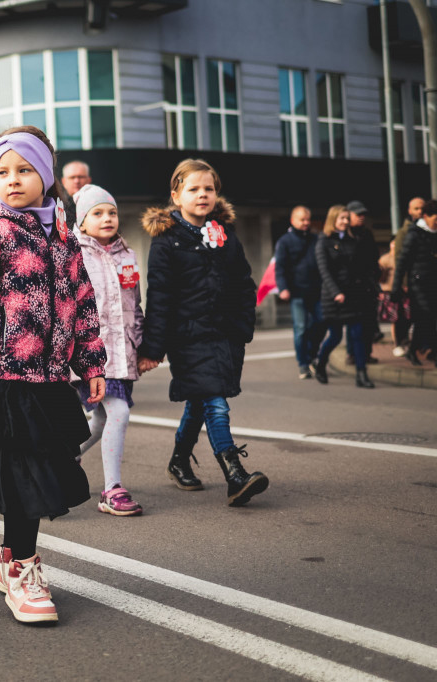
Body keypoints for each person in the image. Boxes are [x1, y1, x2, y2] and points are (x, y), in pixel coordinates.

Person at [0, 126, 106, 624]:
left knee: (33, 474)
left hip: (49, 377)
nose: (12, 180)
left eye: (24, 170)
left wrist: (90, 362)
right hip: (4, 375)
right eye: (2, 172)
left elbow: (83, 301)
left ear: (45, 175)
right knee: (24, 476)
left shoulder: (61, 234)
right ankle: (23, 569)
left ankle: (9, 559)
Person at [137, 158, 268, 506]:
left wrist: (243, 324)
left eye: (208, 188)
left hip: (224, 334)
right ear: (176, 195)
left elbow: (243, 282)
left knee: (199, 400)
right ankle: (234, 474)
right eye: (193, 189)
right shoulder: (166, 241)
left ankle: (179, 461)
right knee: (216, 401)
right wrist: (153, 347)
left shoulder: (225, 236)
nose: (202, 194)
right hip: (188, 336)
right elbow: (160, 295)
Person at [73, 184, 145, 516]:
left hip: (123, 354)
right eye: (97, 213)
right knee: (119, 413)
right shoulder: (75, 255)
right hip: (90, 358)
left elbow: (135, 305)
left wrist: (141, 346)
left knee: (101, 420)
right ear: (82, 222)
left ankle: (66, 456)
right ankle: (112, 489)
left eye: (112, 212)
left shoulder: (127, 255)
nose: (107, 218)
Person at [312, 205, 376, 388]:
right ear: (333, 219)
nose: (346, 222)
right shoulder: (322, 242)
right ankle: (321, 363)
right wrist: (336, 293)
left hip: (353, 294)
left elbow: (359, 268)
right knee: (335, 336)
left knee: (358, 334)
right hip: (334, 298)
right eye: (342, 218)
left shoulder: (351, 240)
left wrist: (368, 287)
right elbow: (324, 272)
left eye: (347, 218)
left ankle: (361, 375)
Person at [273, 205, 323, 379]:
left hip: (316, 291)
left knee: (321, 322)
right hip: (296, 293)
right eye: (302, 219)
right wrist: (283, 288)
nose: (306, 223)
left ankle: (312, 355)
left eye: (308, 219)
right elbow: (280, 267)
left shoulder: (316, 239)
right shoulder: (285, 241)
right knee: (300, 329)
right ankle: (303, 364)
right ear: (293, 220)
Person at [392, 199, 437, 367]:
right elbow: (401, 262)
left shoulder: (434, 234)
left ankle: (414, 350)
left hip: (432, 283)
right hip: (417, 284)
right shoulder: (414, 234)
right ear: (426, 217)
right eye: (435, 219)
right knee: (427, 316)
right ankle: (430, 351)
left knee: (424, 319)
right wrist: (397, 287)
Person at [345, 201, 380, 364]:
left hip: (368, 285)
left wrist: (376, 278)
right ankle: (352, 354)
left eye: (363, 214)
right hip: (351, 286)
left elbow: (374, 259)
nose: (361, 217)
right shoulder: (344, 234)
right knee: (354, 322)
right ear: (349, 215)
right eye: (357, 214)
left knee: (368, 321)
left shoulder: (367, 234)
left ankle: (367, 353)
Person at [392, 196, 426, 356]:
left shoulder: (428, 229)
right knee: (406, 315)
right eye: (416, 208)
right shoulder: (404, 232)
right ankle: (402, 342)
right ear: (409, 211)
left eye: (422, 208)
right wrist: (403, 282)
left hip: (424, 279)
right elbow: (400, 259)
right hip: (410, 281)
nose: (420, 212)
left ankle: (421, 345)